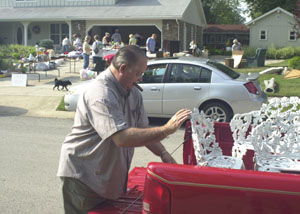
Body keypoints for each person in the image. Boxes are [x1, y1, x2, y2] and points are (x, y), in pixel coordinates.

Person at [57, 45, 191, 214]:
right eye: (138, 74)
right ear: (123, 68)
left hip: (106, 177)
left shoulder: (133, 92)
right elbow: (121, 138)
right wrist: (166, 129)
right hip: (85, 177)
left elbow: (142, 129)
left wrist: (164, 154)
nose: (140, 79)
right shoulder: (101, 93)